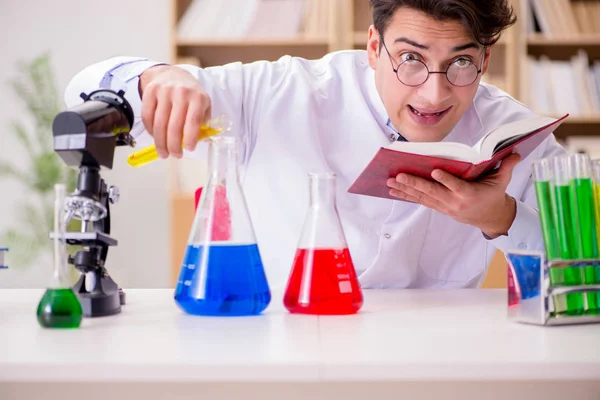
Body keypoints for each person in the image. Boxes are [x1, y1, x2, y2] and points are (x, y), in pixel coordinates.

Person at [64, 0, 566, 289]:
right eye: (410, 58)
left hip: (437, 364)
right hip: (281, 350)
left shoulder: (512, 134)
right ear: (374, 46)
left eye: (462, 63)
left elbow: (587, 255)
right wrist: (158, 77)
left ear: (486, 56)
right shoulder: (282, 91)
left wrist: (499, 218)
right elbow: (82, 92)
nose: (434, 92)